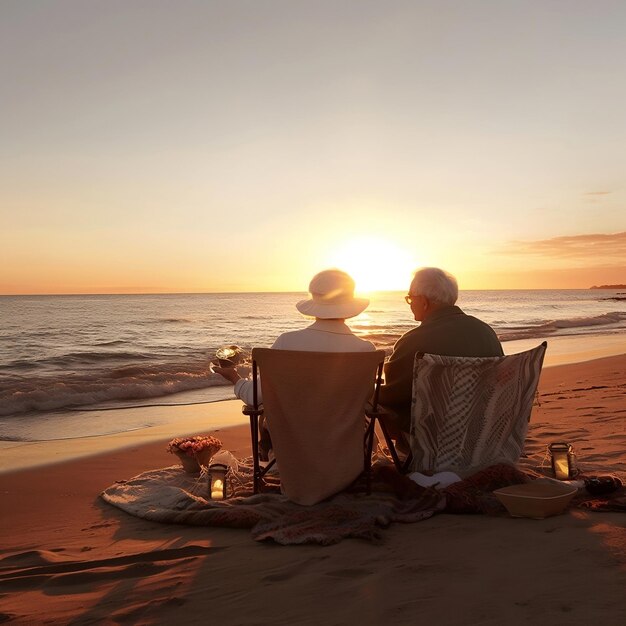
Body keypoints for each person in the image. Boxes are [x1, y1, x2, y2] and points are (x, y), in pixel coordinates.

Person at [213, 269, 376, 407]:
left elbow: (254, 397)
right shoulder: (365, 350)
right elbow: (366, 399)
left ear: (314, 300)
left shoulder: (287, 342)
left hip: (288, 443)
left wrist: (234, 376)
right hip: (350, 443)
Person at [379, 267, 503, 434]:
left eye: (410, 298)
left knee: (368, 401)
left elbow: (393, 396)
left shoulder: (414, 341)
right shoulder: (486, 332)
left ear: (423, 302)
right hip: (481, 436)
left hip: (432, 442)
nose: (410, 304)